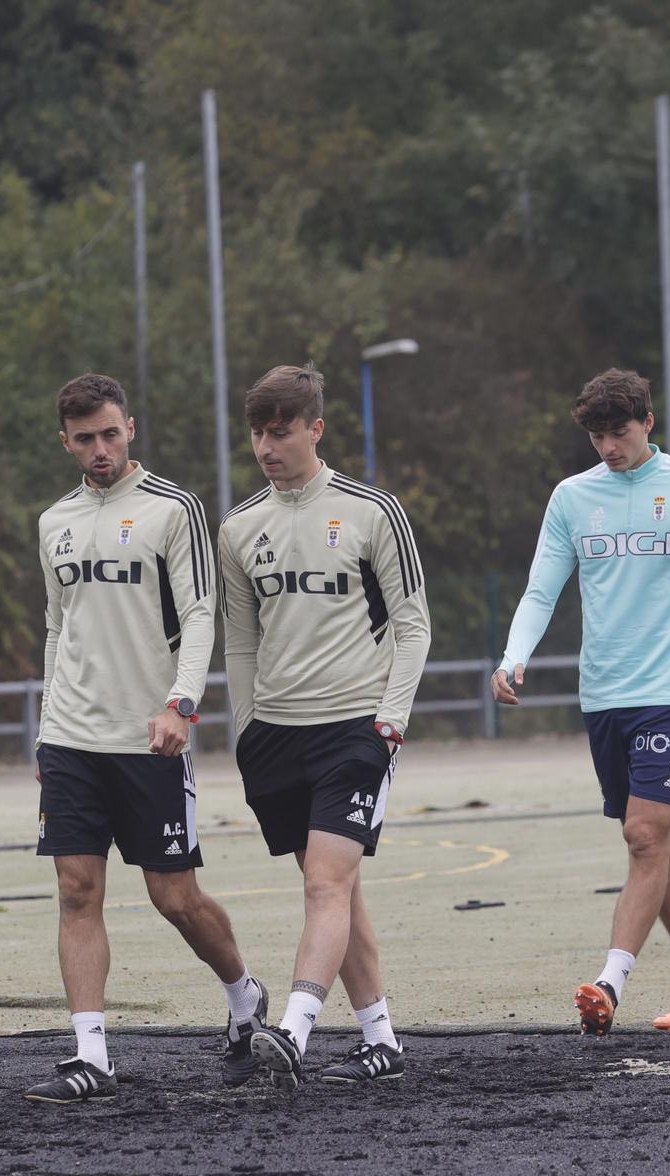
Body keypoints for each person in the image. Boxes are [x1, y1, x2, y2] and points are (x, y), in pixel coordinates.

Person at [493, 368, 670, 1036]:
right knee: (652, 840)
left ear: (647, 421)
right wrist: (513, 654)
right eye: (596, 435)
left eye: (618, 431)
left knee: (645, 835)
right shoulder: (572, 498)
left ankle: (609, 981)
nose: (607, 446)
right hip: (602, 695)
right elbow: (541, 589)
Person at [27, 373, 266, 1103]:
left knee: (174, 897)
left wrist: (181, 703)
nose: (100, 449)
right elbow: (56, 627)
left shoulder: (175, 510)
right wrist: (44, 732)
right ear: (64, 441)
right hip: (71, 735)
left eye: (110, 433)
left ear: (130, 427)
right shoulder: (53, 521)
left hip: (150, 736)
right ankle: (91, 1055)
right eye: (84, 438)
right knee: (77, 889)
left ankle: (243, 998)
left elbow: (202, 614)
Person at [216, 364, 431, 1089]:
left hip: (355, 728)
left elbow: (412, 623)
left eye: (281, 432)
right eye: (257, 433)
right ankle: (382, 1040)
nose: (267, 446)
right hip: (275, 734)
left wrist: (391, 719)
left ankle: (296, 1029)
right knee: (337, 888)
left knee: (324, 882)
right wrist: (243, 728)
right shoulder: (240, 527)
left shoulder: (372, 511)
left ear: (316, 428)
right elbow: (239, 642)